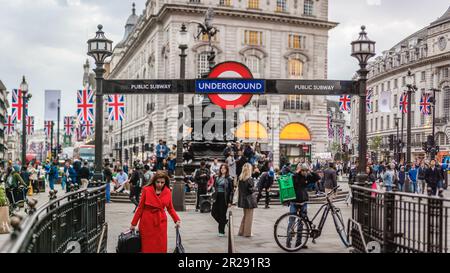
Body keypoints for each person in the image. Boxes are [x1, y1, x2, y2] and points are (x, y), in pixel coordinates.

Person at [130, 171, 181, 253]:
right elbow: (140, 208)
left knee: (160, 246)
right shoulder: (146, 190)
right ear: (154, 181)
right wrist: (133, 224)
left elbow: (170, 208)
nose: (160, 184)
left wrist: (177, 220)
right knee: (147, 247)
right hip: (147, 222)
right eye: (158, 182)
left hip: (160, 223)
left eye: (162, 182)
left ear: (165, 182)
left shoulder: (168, 191)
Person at [289, 164, 310, 249]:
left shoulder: (305, 177)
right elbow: (295, 181)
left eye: (304, 170)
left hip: (303, 201)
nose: (303, 171)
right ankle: (288, 242)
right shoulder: (294, 176)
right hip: (294, 201)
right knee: (291, 222)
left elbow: (316, 177)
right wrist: (297, 172)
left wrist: (309, 170)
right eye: (302, 170)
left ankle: (299, 243)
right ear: (298, 169)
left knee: (301, 222)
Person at [211, 164, 234, 237]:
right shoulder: (217, 177)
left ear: (227, 170)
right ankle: (225, 221)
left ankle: (221, 231)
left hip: (224, 198)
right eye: (221, 168)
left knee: (222, 214)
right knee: (213, 213)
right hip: (217, 197)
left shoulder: (229, 178)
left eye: (224, 168)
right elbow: (215, 187)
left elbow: (231, 191)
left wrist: (230, 201)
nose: (222, 169)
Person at [238, 163, 257, 237]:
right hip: (249, 200)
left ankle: (241, 231)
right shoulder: (249, 179)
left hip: (243, 200)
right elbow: (251, 190)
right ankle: (247, 233)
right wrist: (255, 188)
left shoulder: (241, 178)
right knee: (249, 217)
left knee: (245, 216)